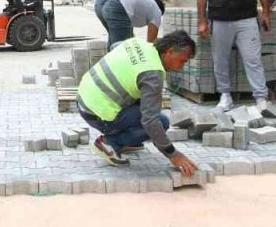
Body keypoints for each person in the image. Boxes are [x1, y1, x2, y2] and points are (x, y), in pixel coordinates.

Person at [76, 31, 200, 176]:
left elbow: (115, 46)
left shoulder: (139, 43)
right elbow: (150, 121)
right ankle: (109, 142)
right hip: (97, 113)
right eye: (182, 61)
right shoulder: (153, 74)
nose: (181, 67)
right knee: (161, 122)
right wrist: (173, 154)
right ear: (169, 51)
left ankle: (126, 140)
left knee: (146, 110)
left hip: (84, 97)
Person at [196, 0, 273, 116]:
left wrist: (266, 11)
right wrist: (202, 21)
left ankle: (261, 99)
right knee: (220, 60)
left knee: (253, 59)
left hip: (246, 18)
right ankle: (225, 96)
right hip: (220, 19)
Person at [95, 0, 165, 50]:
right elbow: (150, 43)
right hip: (117, 3)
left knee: (115, 43)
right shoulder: (157, 11)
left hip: (100, 0)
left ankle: (110, 61)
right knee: (124, 48)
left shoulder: (144, 4)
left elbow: (128, 31)